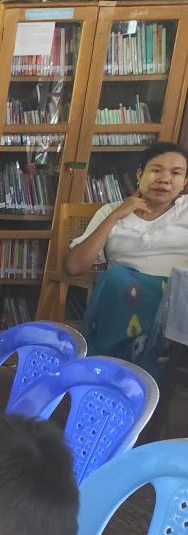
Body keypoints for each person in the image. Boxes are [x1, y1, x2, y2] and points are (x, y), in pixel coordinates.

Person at [63, 140, 188, 375]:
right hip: (124, 293)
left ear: (185, 182)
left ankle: (118, 368)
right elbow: (74, 266)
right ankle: (132, 364)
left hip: (176, 296)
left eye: (176, 173)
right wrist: (115, 217)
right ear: (140, 175)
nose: (164, 179)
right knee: (116, 279)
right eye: (156, 170)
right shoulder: (111, 211)